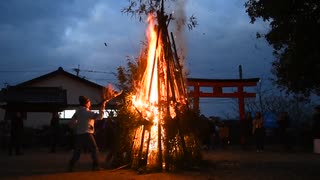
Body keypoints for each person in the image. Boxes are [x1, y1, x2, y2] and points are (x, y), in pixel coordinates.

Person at [67, 96, 106, 172]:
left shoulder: (78, 112)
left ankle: (70, 167)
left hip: (79, 134)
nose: (90, 103)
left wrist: (76, 129)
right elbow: (100, 117)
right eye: (89, 102)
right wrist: (103, 107)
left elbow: (71, 123)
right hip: (87, 134)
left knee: (77, 152)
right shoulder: (87, 112)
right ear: (86, 103)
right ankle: (96, 166)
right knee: (94, 149)